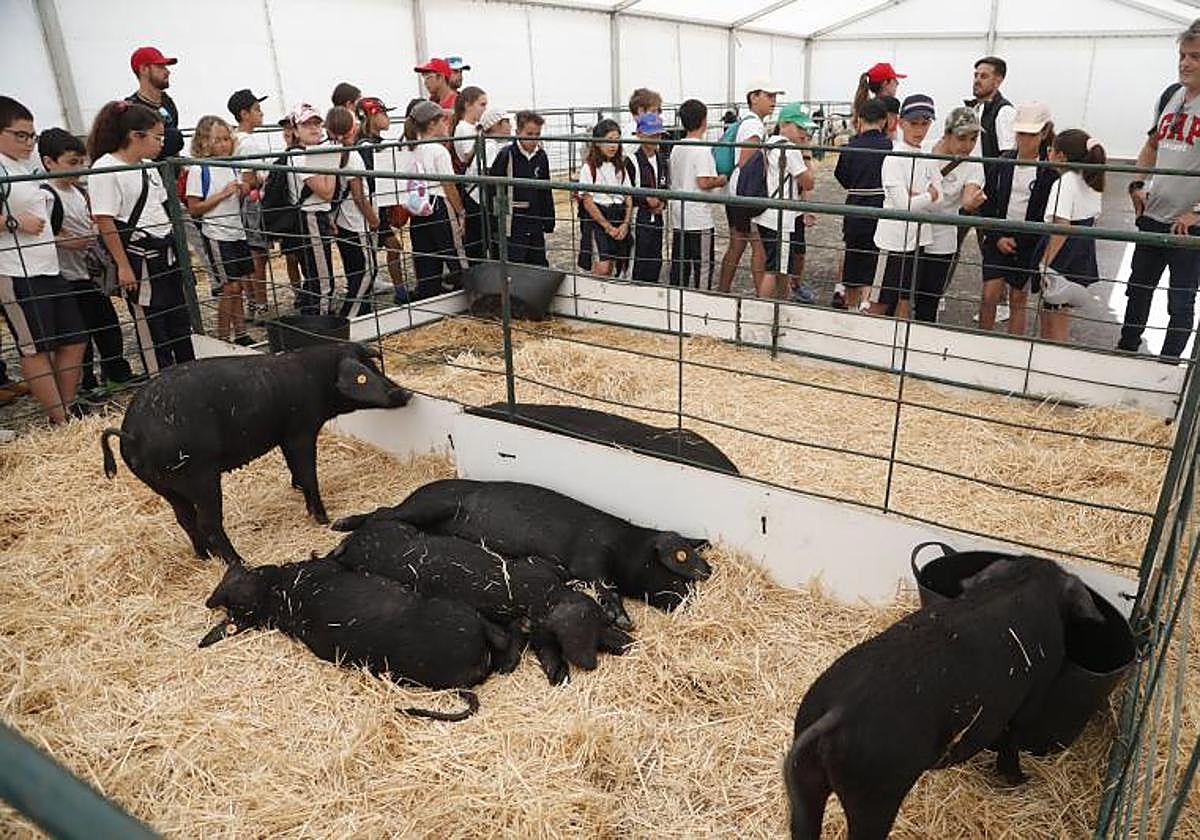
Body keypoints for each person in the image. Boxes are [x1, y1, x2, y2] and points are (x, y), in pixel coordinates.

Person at [89, 100, 194, 375]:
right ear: (135, 136)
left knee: (179, 321)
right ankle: (160, 379)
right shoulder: (105, 168)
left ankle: (188, 375)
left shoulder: (148, 166)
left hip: (165, 253)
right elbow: (105, 220)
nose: (161, 143)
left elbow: (160, 207)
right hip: (139, 257)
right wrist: (123, 265)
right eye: (157, 137)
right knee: (152, 324)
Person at [0, 97, 87, 423]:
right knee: (35, 348)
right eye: (20, 135)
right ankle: (61, 419)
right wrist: (13, 222)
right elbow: (17, 217)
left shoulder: (25, 168)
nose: (27, 142)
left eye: (31, 136)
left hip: (48, 266)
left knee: (74, 339)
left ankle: (64, 409)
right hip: (15, 271)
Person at [1120, 19, 1200, 358]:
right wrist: (1138, 184)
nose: (1185, 63)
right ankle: (1125, 349)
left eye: (1195, 56)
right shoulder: (1170, 96)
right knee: (1137, 289)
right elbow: (1152, 146)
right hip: (1152, 214)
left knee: (1180, 300)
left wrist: (1197, 212)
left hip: (1188, 225)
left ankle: (1166, 367)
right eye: (1182, 55)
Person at [38, 128, 136, 394]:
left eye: (81, 162)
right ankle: (86, 384)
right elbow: (44, 235)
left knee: (108, 327)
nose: (79, 168)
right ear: (49, 162)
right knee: (81, 336)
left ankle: (116, 374)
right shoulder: (47, 195)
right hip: (69, 277)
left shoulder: (77, 191)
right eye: (72, 162)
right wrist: (70, 241)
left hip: (89, 273)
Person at [978, 101, 1058, 335]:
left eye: (1030, 134)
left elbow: (1047, 215)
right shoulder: (1003, 164)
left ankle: (1014, 349)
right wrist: (997, 236)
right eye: (1020, 133)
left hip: (1028, 244)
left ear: (1044, 133)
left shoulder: (1049, 172)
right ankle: (982, 341)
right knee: (989, 294)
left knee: (1018, 297)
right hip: (998, 236)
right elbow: (987, 203)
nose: (1024, 139)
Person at [871, 94, 940, 319]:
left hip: (916, 238)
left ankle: (896, 347)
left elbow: (940, 198)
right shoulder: (893, 158)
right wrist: (928, 196)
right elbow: (904, 204)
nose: (919, 129)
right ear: (901, 122)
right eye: (914, 123)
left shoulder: (925, 156)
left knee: (904, 298)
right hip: (893, 240)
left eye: (925, 123)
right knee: (880, 301)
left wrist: (922, 198)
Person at [186, 115, 252, 345]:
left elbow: (237, 198)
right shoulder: (199, 169)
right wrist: (222, 194)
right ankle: (223, 337)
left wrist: (242, 190)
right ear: (204, 142)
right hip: (217, 234)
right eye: (217, 140)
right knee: (229, 287)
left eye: (226, 139)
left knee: (240, 285)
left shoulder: (232, 165)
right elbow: (193, 208)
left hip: (237, 231)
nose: (224, 144)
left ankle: (242, 333)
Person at [917, 108, 987, 322]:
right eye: (962, 138)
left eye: (973, 139)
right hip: (913, 232)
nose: (967, 145)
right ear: (947, 134)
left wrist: (970, 202)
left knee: (929, 298)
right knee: (900, 293)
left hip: (943, 237)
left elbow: (969, 195)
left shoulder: (974, 165)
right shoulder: (922, 151)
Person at [1039, 130, 1106, 342]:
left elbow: (1062, 225)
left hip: (1062, 252)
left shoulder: (1065, 183)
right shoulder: (1090, 180)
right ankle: (1049, 354)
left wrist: (1044, 262)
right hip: (1082, 249)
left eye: (1051, 149)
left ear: (1061, 156)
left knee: (1055, 311)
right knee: (1057, 309)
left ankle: (1053, 359)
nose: (1048, 152)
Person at [718, 78, 783, 294]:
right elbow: (748, 161)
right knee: (759, 246)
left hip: (736, 189)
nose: (773, 101)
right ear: (754, 97)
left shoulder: (748, 122)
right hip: (747, 191)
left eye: (774, 97)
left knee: (738, 243)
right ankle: (760, 295)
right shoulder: (754, 125)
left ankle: (723, 290)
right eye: (769, 96)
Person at [833, 97, 892, 311]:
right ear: (884, 121)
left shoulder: (851, 146)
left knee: (853, 256)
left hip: (855, 206)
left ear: (860, 119)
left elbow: (841, 175)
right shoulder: (890, 147)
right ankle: (867, 304)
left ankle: (850, 304)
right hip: (880, 206)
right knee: (874, 260)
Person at [754, 104, 817, 301]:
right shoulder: (789, 149)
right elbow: (808, 182)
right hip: (779, 218)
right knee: (775, 269)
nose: (804, 133)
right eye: (799, 128)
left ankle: (781, 305)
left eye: (806, 129)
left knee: (781, 267)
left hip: (767, 214)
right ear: (784, 124)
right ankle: (762, 310)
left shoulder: (770, 143)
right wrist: (806, 153)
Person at [407, 100, 466, 299]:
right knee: (453, 250)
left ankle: (428, 295)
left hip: (417, 205)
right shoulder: (439, 151)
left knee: (425, 254)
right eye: (443, 121)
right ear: (432, 124)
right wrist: (460, 211)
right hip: (438, 203)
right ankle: (468, 291)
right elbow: (448, 184)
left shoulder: (411, 148)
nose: (447, 125)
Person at [284, 103, 338, 315]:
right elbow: (326, 192)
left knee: (317, 276)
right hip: (310, 218)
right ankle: (322, 329)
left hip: (317, 215)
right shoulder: (298, 156)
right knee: (324, 282)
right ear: (296, 130)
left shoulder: (310, 153)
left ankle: (315, 320)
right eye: (307, 124)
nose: (314, 128)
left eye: (317, 123)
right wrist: (332, 165)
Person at [669, 99, 727, 290]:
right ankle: (702, 299)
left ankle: (679, 297)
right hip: (699, 218)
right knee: (702, 265)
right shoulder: (701, 149)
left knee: (680, 262)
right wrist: (720, 179)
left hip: (679, 215)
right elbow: (703, 182)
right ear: (704, 120)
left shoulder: (677, 147)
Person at [328, 106, 379, 318]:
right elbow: (359, 196)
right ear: (351, 129)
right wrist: (374, 220)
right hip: (357, 222)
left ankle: (362, 308)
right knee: (369, 269)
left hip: (342, 220)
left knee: (354, 269)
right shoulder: (353, 156)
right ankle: (350, 315)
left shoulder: (331, 151)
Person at [488, 110, 554, 266]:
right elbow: (494, 189)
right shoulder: (507, 155)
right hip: (514, 220)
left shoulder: (541, 156)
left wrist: (549, 219)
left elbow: (546, 189)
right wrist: (496, 221)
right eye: (529, 134)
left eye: (537, 135)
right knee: (515, 259)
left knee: (538, 259)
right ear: (518, 132)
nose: (533, 139)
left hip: (535, 217)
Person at [229, 88, 272, 320]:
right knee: (258, 255)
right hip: (253, 202)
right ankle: (260, 305)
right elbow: (249, 178)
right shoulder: (248, 143)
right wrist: (267, 176)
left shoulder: (234, 139)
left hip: (241, 205)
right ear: (244, 113)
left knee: (250, 254)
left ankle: (253, 303)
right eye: (256, 109)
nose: (261, 113)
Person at [576, 119, 633, 279]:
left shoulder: (620, 167)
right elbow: (587, 201)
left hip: (618, 216)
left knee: (615, 265)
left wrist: (625, 224)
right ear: (597, 143)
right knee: (602, 267)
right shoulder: (589, 168)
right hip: (598, 219)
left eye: (616, 141)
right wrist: (607, 227)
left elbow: (628, 197)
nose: (613, 146)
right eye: (609, 141)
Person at [629, 112, 669, 283]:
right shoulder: (632, 161)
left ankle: (652, 289)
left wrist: (663, 202)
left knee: (655, 258)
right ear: (639, 135)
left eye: (658, 134)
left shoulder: (662, 160)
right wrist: (645, 199)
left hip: (657, 216)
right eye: (651, 134)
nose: (655, 138)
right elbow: (627, 191)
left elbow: (666, 186)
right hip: (640, 216)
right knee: (639, 257)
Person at [125, 46, 183, 159]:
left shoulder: (168, 102)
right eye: (160, 67)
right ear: (144, 70)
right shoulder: (131, 109)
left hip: (171, 171)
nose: (167, 72)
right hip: (149, 173)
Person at [451, 86, 488, 261]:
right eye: (481, 104)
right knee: (476, 237)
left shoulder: (473, 127)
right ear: (468, 105)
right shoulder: (463, 128)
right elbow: (466, 155)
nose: (484, 109)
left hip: (478, 186)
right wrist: (480, 138)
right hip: (472, 187)